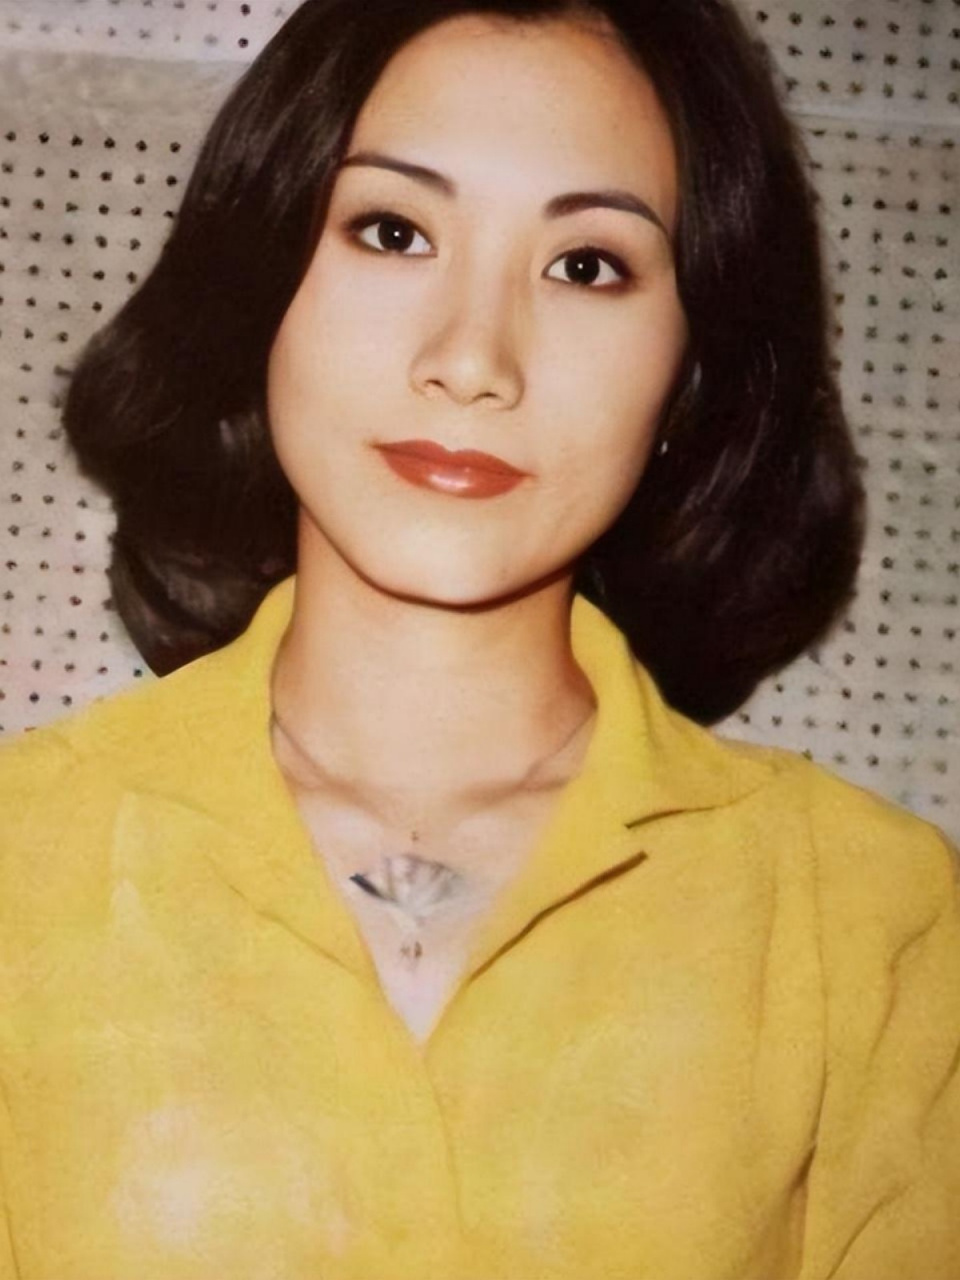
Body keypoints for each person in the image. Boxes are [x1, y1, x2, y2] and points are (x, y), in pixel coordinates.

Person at [0, 0, 957, 1275]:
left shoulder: (868, 916)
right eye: (394, 231)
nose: (471, 359)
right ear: (259, 286)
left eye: (587, 265)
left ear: (690, 370)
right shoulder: (21, 862)